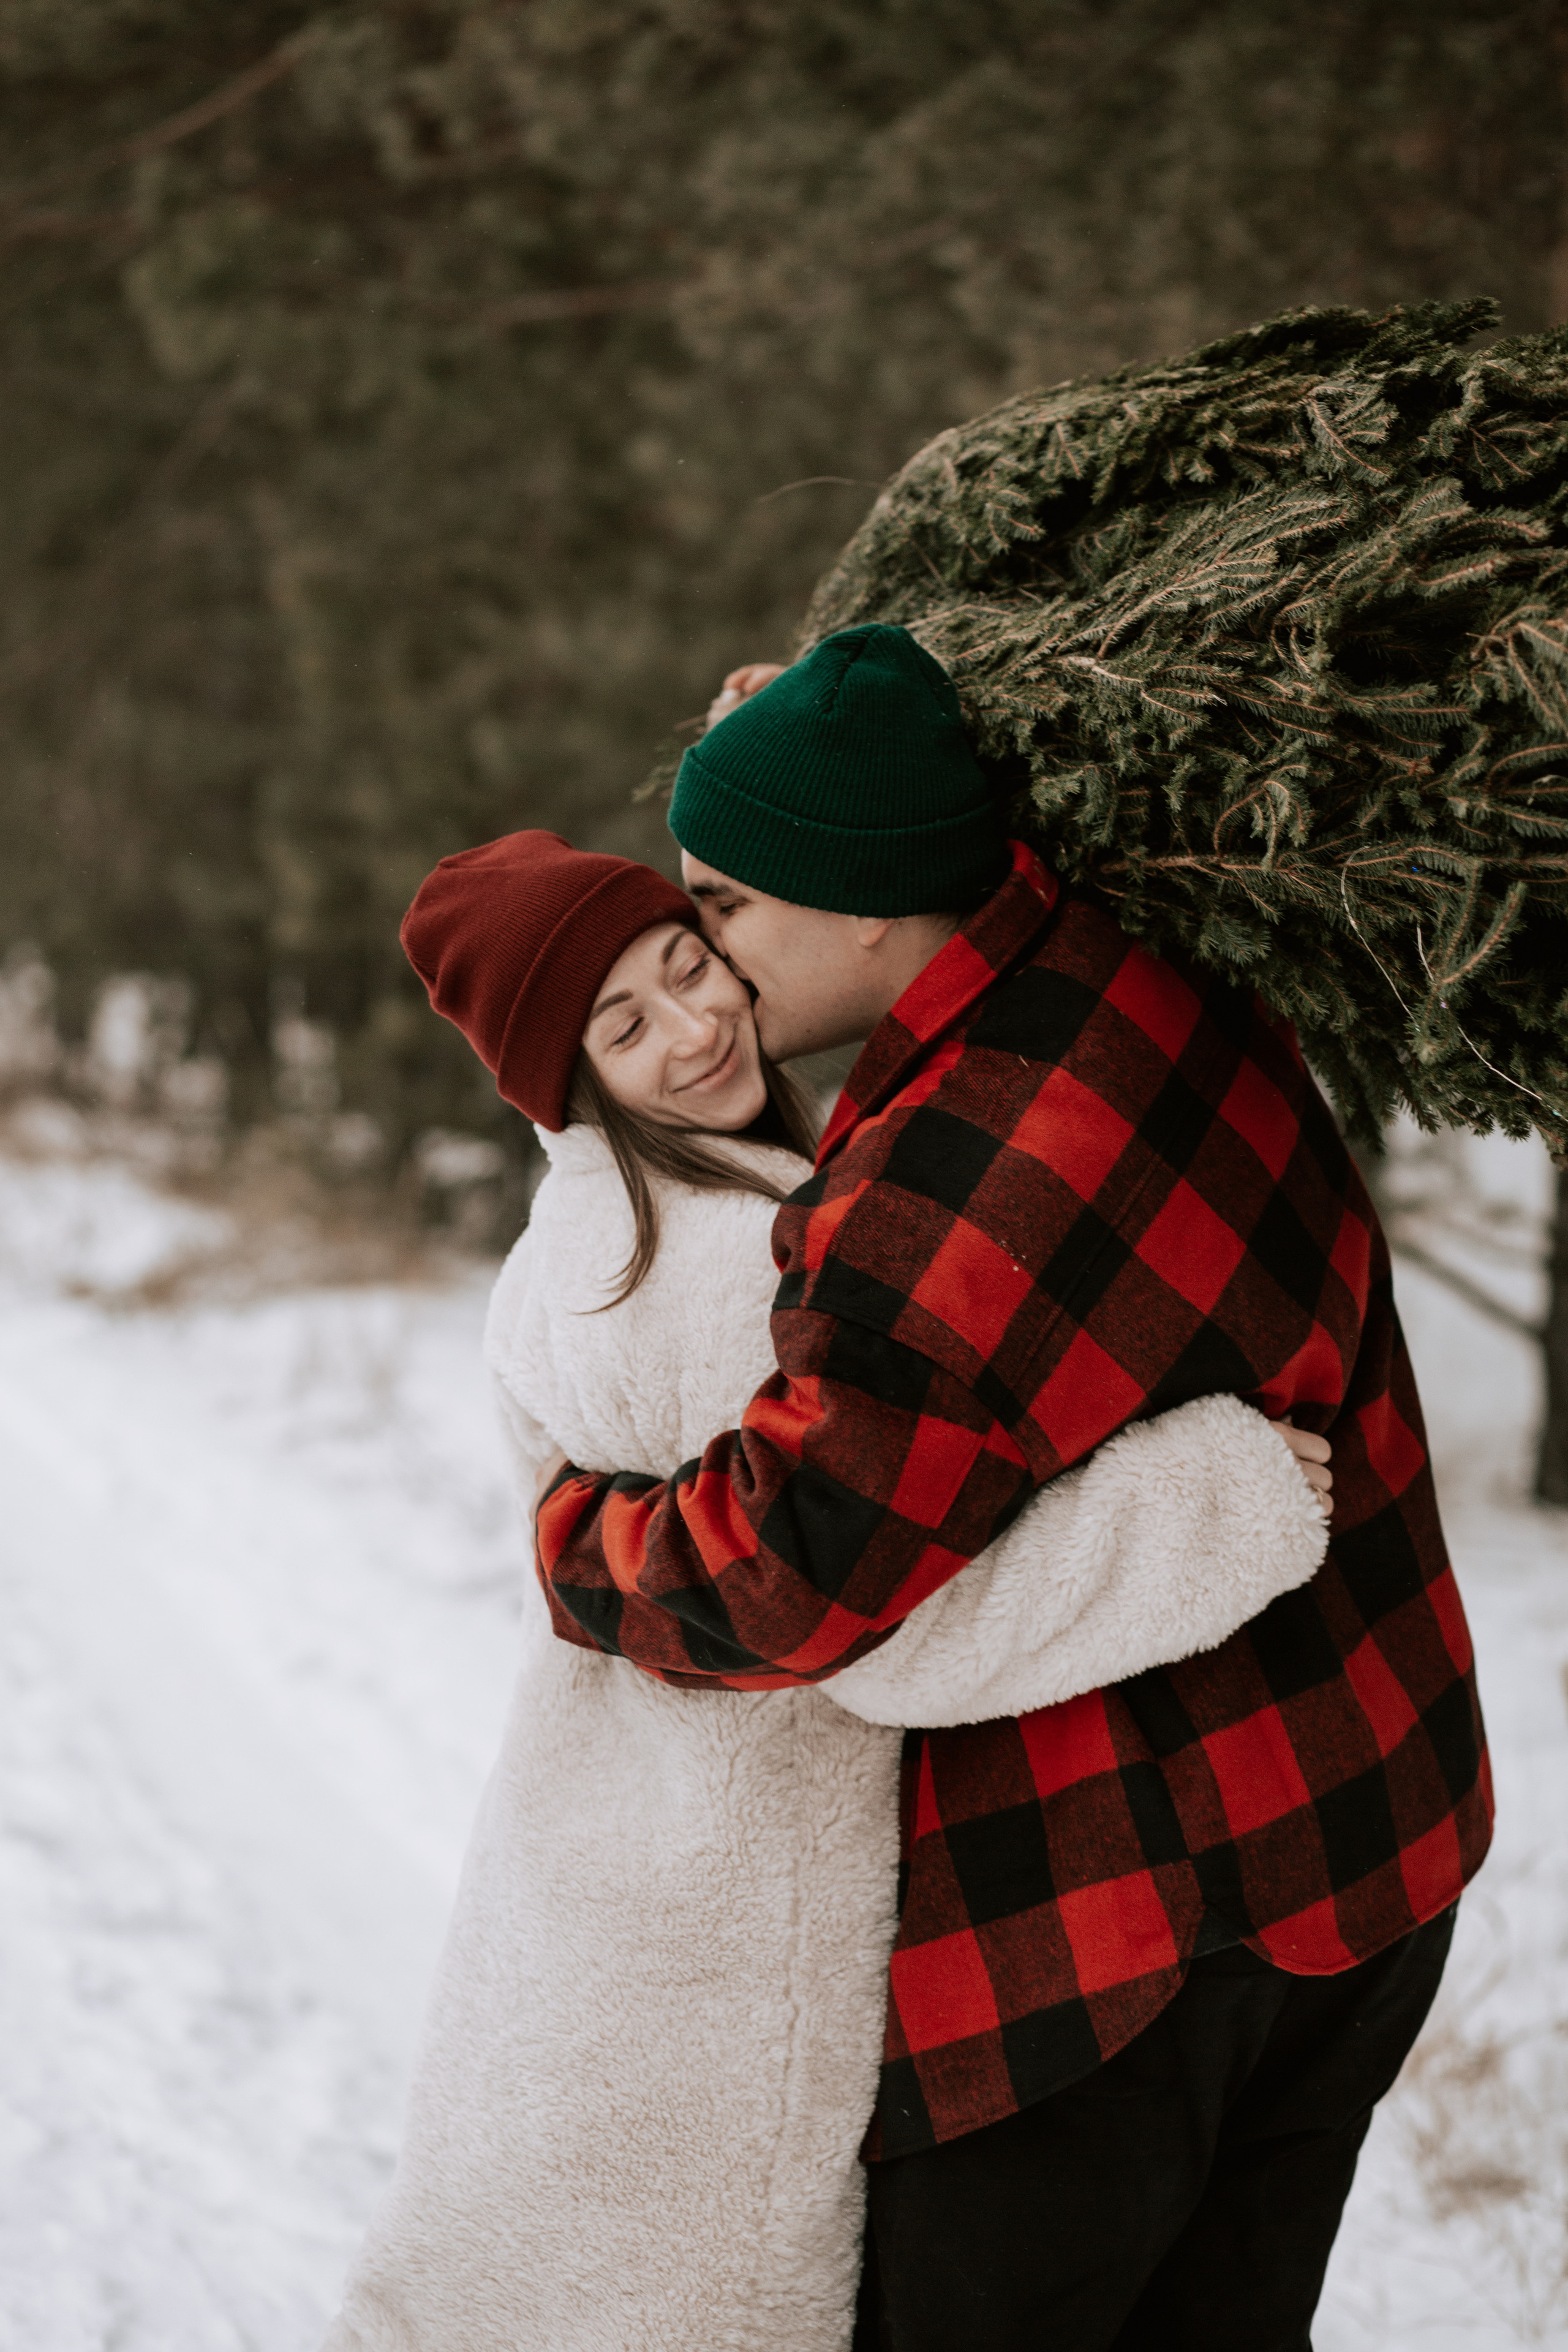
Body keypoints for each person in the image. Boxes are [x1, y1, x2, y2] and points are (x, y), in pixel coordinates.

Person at [532, 625, 1492, 2350]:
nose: (715, 979)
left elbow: (780, 1587)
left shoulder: (930, 1199)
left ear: (869, 908)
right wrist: (807, 729)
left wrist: (569, 1531)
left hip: (1123, 1958)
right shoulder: (1153, 958)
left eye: (725, 911)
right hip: (1376, 1827)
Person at [320, 828, 1335, 2352]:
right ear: (566, 1080)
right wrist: (1207, 1505)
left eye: (687, 963)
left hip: (593, 1861)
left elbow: (594, 1534)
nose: (697, 1025)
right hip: (729, 1908)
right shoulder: (728, 1265)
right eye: (624, 1027)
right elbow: (891, 1641)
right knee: (693, 2297)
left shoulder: (561, 1250)